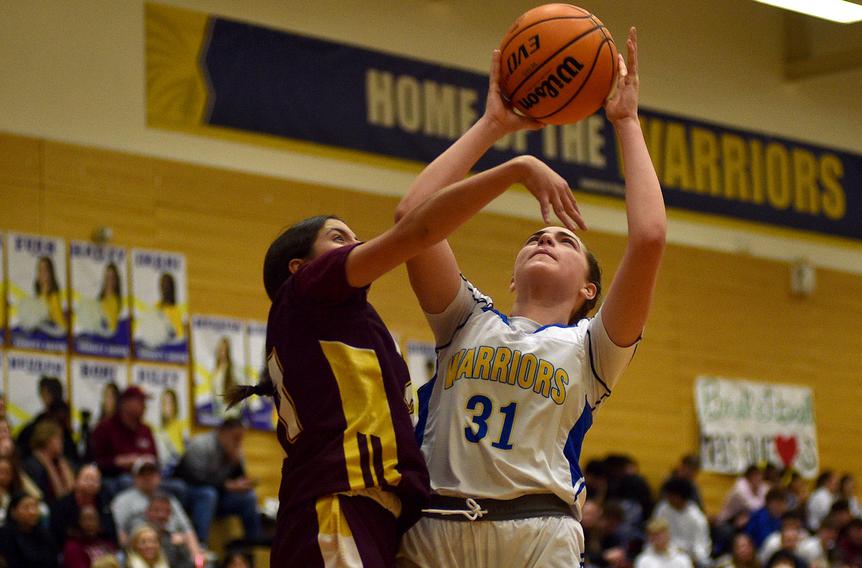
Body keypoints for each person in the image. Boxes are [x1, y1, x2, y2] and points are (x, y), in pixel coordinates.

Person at [222, 47, 593, 565]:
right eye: (338, 238)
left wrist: (493, 124)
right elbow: (415, 225)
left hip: (378, 515)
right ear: (300, 267)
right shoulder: (310, 291)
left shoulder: (351, 327)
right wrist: (513, 165)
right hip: (338, 507)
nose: (355, 243)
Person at [396, 28, 666, 568]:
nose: (546, 238)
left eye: (564, 240)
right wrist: (496, 129)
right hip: (436, 525)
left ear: (590, 290)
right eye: (535, 238)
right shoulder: (466, 319)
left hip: (537, 533)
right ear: (513, 277)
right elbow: (412, 218)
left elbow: (650, 238)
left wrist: (627, 123)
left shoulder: (593, 347)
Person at [175, 417, 261, 546]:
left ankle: (253, 544)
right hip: (192, 493)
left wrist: (238, 468)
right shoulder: (201, 444)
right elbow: (193, 478)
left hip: (219, 496)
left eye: (241, 438)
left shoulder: (235, 450)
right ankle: (200, 544)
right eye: (236, 437)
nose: (238, 442)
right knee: (208, 494)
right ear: (223, 432)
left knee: (249, 497)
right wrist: (226, 486)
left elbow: (239, 478)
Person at [111, 459, 202, 565]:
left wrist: (198, 560)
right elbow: (122, 537)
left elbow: (187, 530)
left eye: (152, 474)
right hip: (140, 550)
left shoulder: (170, 499)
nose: (148, 477)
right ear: (147, 512)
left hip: (172, 546)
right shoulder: (123, 500)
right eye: (143, 474)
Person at [50, 463, 117, 547]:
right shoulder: (61, 505)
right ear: (76, 481)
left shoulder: (104, 502)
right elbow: (59, 535)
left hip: (101, 548)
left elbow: (111, 532)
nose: (91, 483)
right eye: (87, 479)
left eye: (95, 480)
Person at [652, 479, 712, 568]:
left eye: (670, 495)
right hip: (664, 552)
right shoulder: (662, 509)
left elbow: (701, 545)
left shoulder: (697, 517)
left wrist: (693, 558)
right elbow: (654, 531)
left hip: (689, 556)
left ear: (679, 498)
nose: (667, 498)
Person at [22, 418, 75, 502]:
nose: (62, 442)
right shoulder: (32, 465)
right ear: (46, 440)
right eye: (58, 438)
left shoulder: (63, 462)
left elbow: (73, 490)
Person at [0, 492, 58, 568]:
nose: (32, 512)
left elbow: (53, 561)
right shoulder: (5, 535)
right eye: (26, 507)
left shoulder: (45, 533)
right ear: (13, 512)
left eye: (35, 507)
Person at [97, 262, 123, 334]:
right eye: (107, 277)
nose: (109, 280)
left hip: (111, 339)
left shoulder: (118, 301)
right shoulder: (99, 299)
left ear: (116, 280)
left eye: (112, 277)